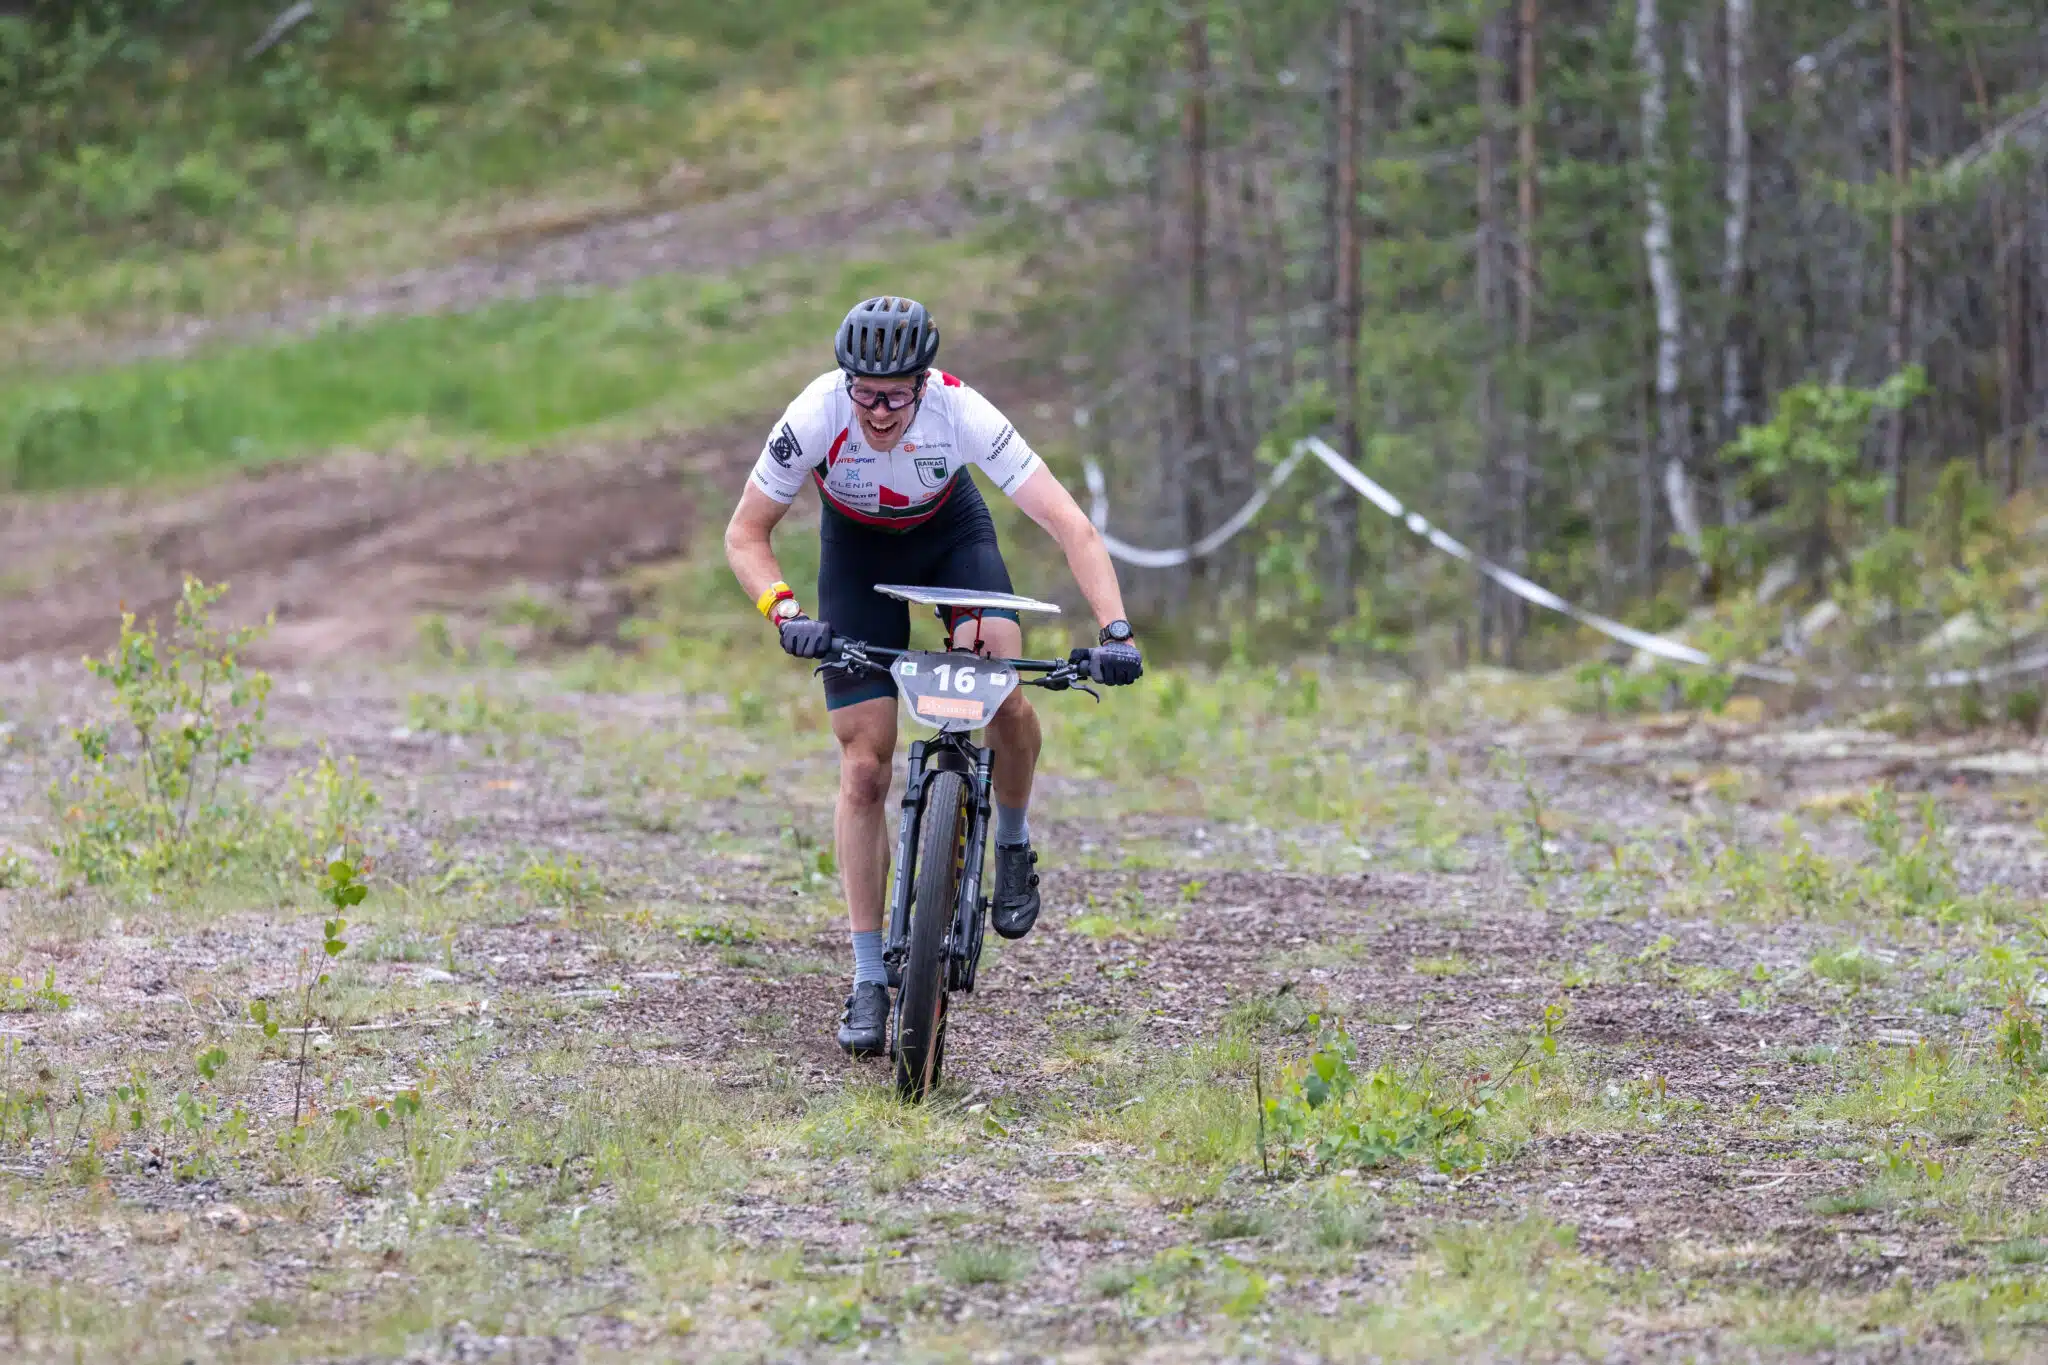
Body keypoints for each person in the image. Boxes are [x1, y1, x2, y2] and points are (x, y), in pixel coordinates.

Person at [724, 296, 1144, 1057]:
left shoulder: (962, 410)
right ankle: (867, 977)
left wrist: (1116, 631)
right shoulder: (815, 414)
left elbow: (1070, 525)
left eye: (895, 395)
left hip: (953, 543)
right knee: (864, 767)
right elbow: (745, 533)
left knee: (1005, 696)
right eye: (865, 394)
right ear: (846, 383)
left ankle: (1011, 842)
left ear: (924, 383)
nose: (879, 412)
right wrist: (785, 613)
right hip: (856, 557)